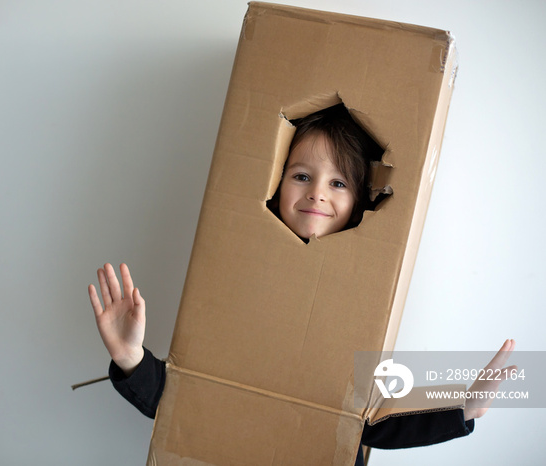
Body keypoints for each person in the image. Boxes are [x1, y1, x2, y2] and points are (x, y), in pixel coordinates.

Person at [87, 105, 516, 465]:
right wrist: (130, 359)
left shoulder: (363, 299)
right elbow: (186, 401)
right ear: (275, 184)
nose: (317, 194)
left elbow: (369, 423)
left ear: (359, 200)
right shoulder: (232, 276)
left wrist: (463, 410)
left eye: (338, 182)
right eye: (301, 176)